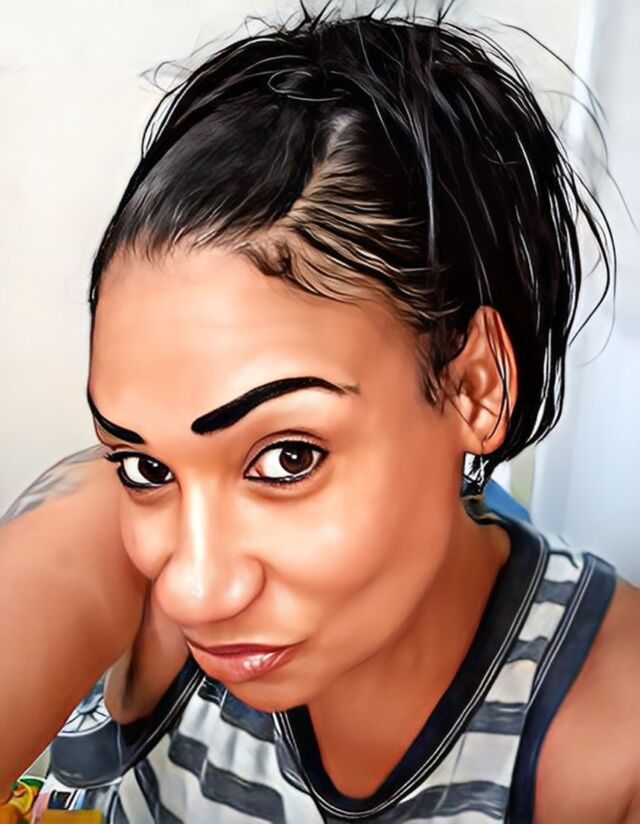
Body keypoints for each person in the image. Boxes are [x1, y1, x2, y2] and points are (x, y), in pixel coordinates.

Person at [2, 6, 639, 823]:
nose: (194, 589)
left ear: (475, 387)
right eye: (146, 466)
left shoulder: (606, 729)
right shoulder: (113, 539)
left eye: (288, 458)